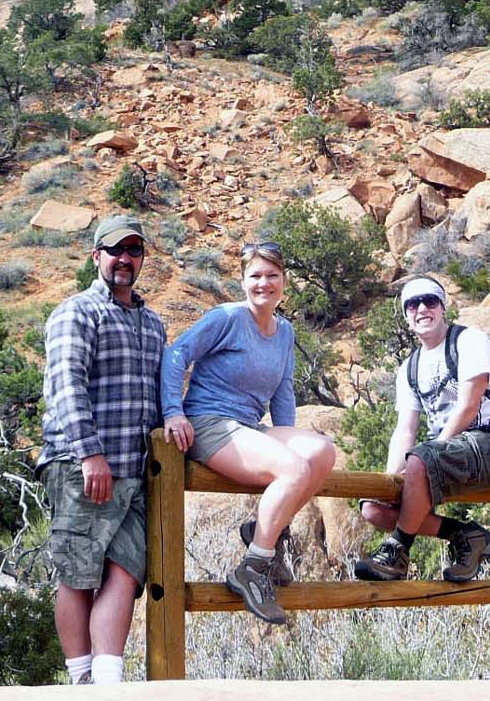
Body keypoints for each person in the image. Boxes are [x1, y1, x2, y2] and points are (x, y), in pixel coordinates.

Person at [160, 242, 336, 625]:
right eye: (255, 275)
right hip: (209, 422)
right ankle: (253, 568)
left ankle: (265, 529)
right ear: (242, 281)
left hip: (249, 426)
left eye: (272, 275)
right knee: (293, 469)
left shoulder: (284, 332)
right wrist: (173, 412)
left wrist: (286, 436)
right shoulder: (227, 318)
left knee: (322, 453)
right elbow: (176, 355)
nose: (263, 283)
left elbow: (283, 391)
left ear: (284, 281)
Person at [37, 215, 167, 685]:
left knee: (126, 571)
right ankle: (80, 681)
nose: (125, 259)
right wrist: (90, 454)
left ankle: (108, 683)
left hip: (135, 473)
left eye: (134, 251)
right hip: (82, 466)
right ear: (96, 256)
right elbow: (65, 386)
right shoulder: (76, 312)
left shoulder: (153, 324)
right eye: (116, 250)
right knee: (77, 573)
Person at [354, 275, 490, 582]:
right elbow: (405, 430)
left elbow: (469, 406)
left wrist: (426, 458)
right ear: (406, 316)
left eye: (430, 301)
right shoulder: (409, 368)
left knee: (421, 457)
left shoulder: (469, 341)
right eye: (413, 304)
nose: (422, 309)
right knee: (374, 508)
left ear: (443, 307)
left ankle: (397, 551)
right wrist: (391, 480)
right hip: (442, 455)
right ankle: (468, 536)